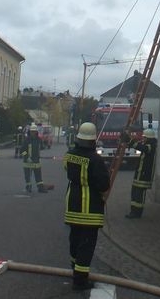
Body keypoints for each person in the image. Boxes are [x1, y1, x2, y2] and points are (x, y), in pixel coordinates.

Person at [63, 122, 110, 291]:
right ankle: (80, 280)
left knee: (74, 241)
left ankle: (75, 271)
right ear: (92, 140)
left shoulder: (69, 155)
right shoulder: (96, 160)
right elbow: (103, 185)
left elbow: (66, 169)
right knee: (86, 245)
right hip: (90, 209)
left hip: (72, 206)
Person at [120, 128, 157, 219]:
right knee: (134, 193)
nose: (143, 139)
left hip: (144, 175)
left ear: (149, 138)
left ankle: (137, 213)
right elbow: (139, 145)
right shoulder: (147, 144)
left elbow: (142, 147)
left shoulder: (151, 146)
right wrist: (128, 141)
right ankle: (133, 211)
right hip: (139, 173)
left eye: (145, 137)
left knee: (139, 195)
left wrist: (130, 140)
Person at [21, 125, 54, 193]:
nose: (33, 133)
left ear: (36, 132)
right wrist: (27, 157)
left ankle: (40, 188)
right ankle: (28, 187)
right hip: (28, 162)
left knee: (38, 175)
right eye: (32, 131)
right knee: (28, 176)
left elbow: (41, 147)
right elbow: (22, 150)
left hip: (36, 161)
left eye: (34, 131)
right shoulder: (27, 139)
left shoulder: (39, 139)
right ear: (30, 132)